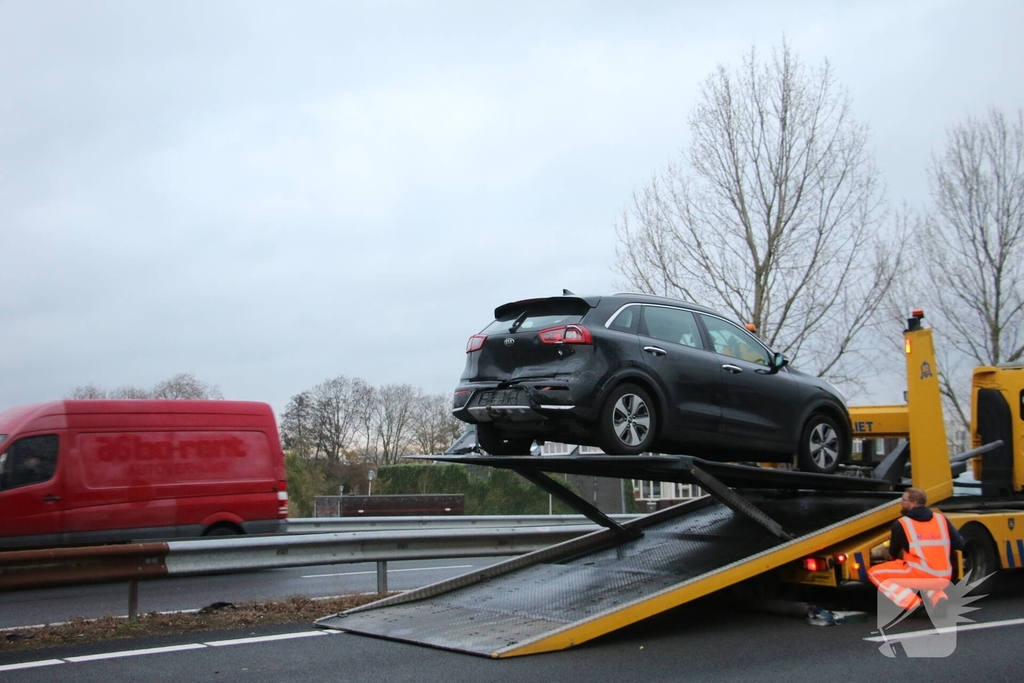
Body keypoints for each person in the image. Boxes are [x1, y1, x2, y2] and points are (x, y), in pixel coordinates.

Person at [868, 487, 965, 612]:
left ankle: (913, 604)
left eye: (904, 499)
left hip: (921, 575)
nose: (901, 502)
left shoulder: (902, 524)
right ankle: (940, 599)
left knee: (874, 573)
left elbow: (893, 552)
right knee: (927, 575)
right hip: (944, 576)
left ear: (913, 503)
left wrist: (894, 559)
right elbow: (960, 544)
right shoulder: (941, 519)